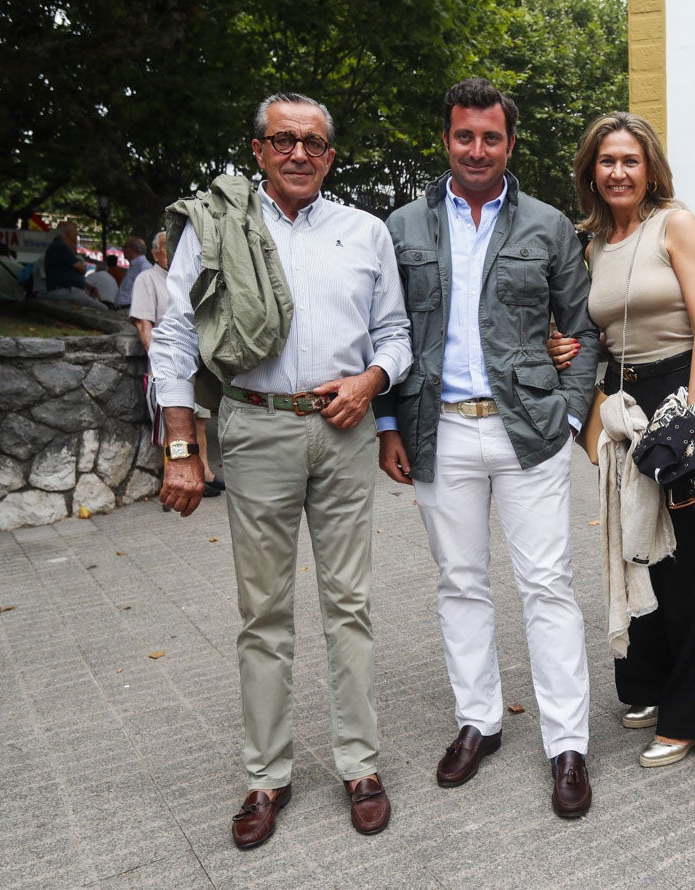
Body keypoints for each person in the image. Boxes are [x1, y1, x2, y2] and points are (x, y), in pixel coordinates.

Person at [150, 91, 412, 843]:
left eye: (314, 143)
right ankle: (266, 776)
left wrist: (371, 382)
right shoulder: (218, 227)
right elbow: (173, 339)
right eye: (283, 140)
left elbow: (394, 333)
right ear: (259, 150)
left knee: (349, 604)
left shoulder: (365, 232)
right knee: (263, 615)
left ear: (331, 155)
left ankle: (359, 764)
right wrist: (180, 448)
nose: (299, 153)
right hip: (255, 428)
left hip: (344, 432)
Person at [376, 78, 600, 818]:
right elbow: (383, 330)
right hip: (438, 430)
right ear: (445, 139)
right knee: (460, 582)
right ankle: (478, 720)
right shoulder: (402, 228)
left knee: (547, 585)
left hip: (528, 432)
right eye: (464, 136)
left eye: (491, 137)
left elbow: (583, 326)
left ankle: (567, 743)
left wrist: (569, 416)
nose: (477, 149)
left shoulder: (546, 226)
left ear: (510, 142)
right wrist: (388, 426)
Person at [567, 111, 695, 767]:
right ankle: (649, 684)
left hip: (681, 392)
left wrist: (694, 415)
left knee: (694, 561)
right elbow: (596, 332)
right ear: (591, 171)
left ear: (649, 168)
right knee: (640, 546)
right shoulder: (594, 243)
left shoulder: (677, 224)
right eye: (606, 161)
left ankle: (692, 713)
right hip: (624, 401)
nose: (617, 172)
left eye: (628, 160)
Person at [129, 231, 223, 495]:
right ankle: (179, 476)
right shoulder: (147, 278)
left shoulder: (188, 274)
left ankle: (205, 472)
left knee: (201, 421)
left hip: (198, 366)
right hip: (170, 365)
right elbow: (143, 324)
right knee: (177, 421)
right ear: (155, 253)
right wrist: (163, 366)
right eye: (165, 246)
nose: (172, 250)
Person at [43, 221, 99, 307]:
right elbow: (82, 269)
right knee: (102, 309)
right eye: (75, 230)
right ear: (67, 233)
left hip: (66, 290)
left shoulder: (57, 246)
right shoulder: (60, 247)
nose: (77, 234)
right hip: (67, 291)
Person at [115, 236, 150, 309]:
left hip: (131, 311)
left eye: (124, 247)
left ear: (132, 249)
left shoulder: (144, 266)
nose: (122, 250)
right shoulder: (133, 266)